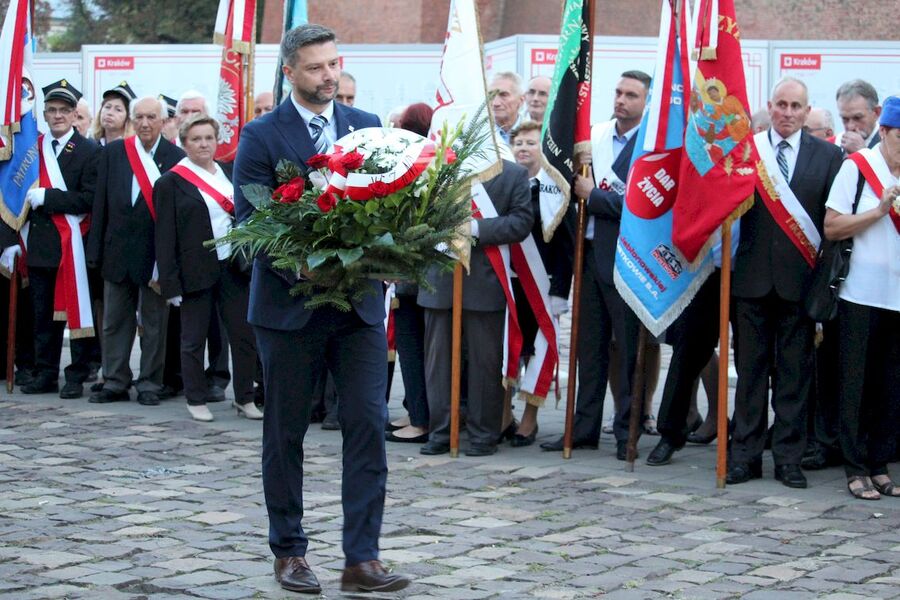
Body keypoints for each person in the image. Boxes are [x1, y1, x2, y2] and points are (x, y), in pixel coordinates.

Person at [233, 23, 409, 593]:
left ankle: (362, 558)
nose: (329, 76)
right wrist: (302, 265)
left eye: (334, 64)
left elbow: (390, 205)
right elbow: (248, 224)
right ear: (289, 72)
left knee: (367, 426)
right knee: (285, 435)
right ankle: (289, 552)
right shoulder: (262, 136)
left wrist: (388, 251)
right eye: (315, 67)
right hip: (288, 310)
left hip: (358, 308)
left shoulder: (366, 128)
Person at [726, 77, 843, 489]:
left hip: (801, 286)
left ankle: (789, 458)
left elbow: (832, 226)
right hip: (751, 283)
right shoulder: (746, 152)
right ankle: (745, 456)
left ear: (808, 111)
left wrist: (823, 285)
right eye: (781, 105)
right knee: (750, 374)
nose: (788, 113)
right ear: (770, 106)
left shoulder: (829, 157)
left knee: (795, 376)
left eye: (797, 106)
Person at [540, 70, 650, 461]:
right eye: (618, 92)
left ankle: (627, 431)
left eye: (632, 95)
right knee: (589, 350)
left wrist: (596, 196)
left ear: (646, 101)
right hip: (586, 258)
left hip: (628, 262)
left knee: (627, 352)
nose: (622, 100)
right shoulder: (596, 136)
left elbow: (646, 207)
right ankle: (583, 427)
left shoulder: (652, 145)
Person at [418, 157, 533, 457]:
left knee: (485, 364)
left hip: (485, 281)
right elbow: (414, 215)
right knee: (437, 364)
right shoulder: (434, 167)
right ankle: (441, 431)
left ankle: (483, 434)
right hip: (439, 282)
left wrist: (476, 228)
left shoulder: (513, 174)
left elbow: (521, 221)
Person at [155, 115, 262, 423]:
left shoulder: (230, 173)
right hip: (194, 270)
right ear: (184, 143)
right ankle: (195, 397)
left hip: (233, 267)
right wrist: (170, 284)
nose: (203, 144)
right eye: (196, 139)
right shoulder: (170, 182)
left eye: (209, 138)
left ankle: (245, 398)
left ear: (217, 141)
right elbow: (164, 237)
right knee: (193, 339)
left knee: (243, 335)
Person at [0, 80, 101, 398]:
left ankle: (77, 374)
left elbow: (89, 199)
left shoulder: (89, 151)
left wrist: (51, 197)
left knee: (77, 311)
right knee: (42, 314)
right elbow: (13, 197)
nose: (57, 116)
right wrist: (10, 239)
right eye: (51, 110)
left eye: (63, 111)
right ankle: (46, 372)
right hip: (41, 245)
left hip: (74, 245)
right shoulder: (34, 151)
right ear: (43, 114)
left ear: (74, 115)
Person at [823, 96, 900, 500]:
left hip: (897, 297)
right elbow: (832, 227)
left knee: (889, 386)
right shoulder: (858, 168)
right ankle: (854, 467)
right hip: (859, 293)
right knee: (855, 382)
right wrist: (878, 211)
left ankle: (879, 464)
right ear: (884, 132)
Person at [87, 96, 184, 407]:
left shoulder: (175, 156)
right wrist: (95, 251)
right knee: (114, 320)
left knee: (155, 324)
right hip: (117, 251)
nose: (144, 123)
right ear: (132, 120)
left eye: (151, 117)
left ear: (163, 120)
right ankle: (115, 380)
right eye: (139, 117)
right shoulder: (115, 152)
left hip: (156, 256)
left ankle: (150, 383)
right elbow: (99, 203)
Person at [507, 120, 573, 446]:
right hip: (509, 283)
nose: (522, 147)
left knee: (537, 350)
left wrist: (561, 290)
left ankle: (529, 421)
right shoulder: (504, 184)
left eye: (530, 143)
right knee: (509, 350)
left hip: (541, 285)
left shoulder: (554, 191)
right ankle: (504, 415)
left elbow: (567, 246)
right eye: (518, 142)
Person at [385, 102, 433, 444]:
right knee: (411, 350)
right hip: (411, 277)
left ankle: (422, 418)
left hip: (413, 277)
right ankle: (416, 411)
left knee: (415, 351)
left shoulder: (418, 166)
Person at [835, 79, 882, 155]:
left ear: (876, 112)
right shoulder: (834, 144)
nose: (850, 127)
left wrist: (862, 154)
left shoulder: (892, 143)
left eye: (857, 118)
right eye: (845, 119)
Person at [89, 81, 136, 145]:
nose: (110, 113)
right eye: (107, 107)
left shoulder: (132, 148)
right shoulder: (92, 145)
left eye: (118, 110)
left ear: (128, 117)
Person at [489, 72, 524, 144]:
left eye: (503, 95)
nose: (495, 103)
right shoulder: (477, 135)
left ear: (521, 100)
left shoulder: (535, 133)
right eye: (491, 95)